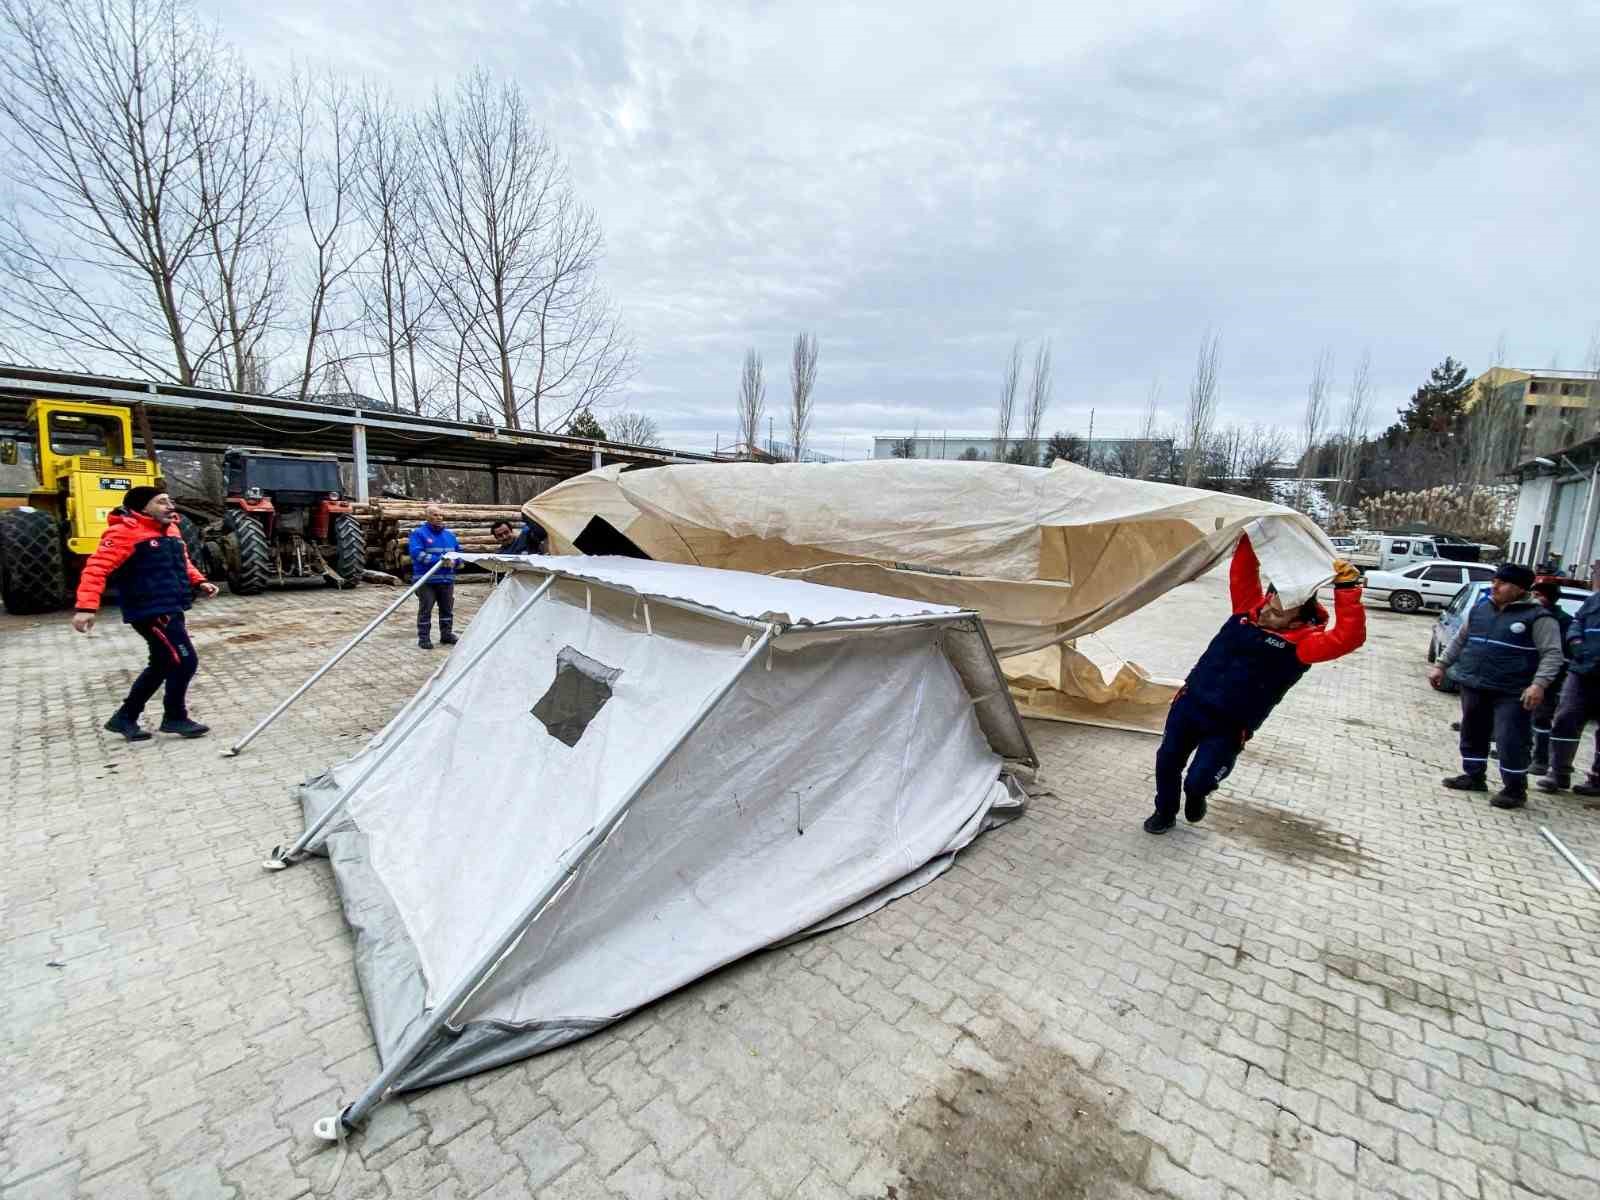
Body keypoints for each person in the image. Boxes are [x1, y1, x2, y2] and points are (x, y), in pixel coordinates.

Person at [1145, 534, 1366, 834]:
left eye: (1276, 613)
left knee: (1198, 778)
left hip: (1229, 726)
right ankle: (1165, 811)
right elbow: (1244, 570)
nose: (1265, 612)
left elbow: (1349, 637)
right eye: (1267, 605)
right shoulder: (1246, 611)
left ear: (1297, 619)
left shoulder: (1304, 646)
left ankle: (1198, 794)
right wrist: (1255, 532)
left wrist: (1347, 589)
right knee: (1167, 762)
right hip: (1190, 705)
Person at [72, 485, 219, 741]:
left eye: (169, 500)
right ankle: (175, 717)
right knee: (185, 661)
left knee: (162, 663)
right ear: (142, 507)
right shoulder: (123, 532)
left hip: (171, 606)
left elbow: (181, 562)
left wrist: (198, 582)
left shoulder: (171, 530)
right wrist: (86, 607)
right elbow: (96, 569)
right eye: (161, 502)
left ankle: (125, 718)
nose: (170, 506)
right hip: (150, 610)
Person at [1429, 563, 1562, 808]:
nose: (1495, 586)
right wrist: (1441, 665)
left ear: (1520, 589)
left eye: (1502, 583)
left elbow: (1552, 654)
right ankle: (1474, 775)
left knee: (1510, 738)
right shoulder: (1481, 609)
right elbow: (1460, 640)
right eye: (1495, 581)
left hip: (1512, 690)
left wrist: (1539, 685)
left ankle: (1514, 789)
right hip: (1474, 683)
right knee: (1472, 731)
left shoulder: (1539, 617)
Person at [1537, 560, 1600, 794]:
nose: (1595, 576)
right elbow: (1576, 623)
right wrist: (1575, 642)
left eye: (1596, 572)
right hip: (1581, 672)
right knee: (1566, 718)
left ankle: (1597, 780)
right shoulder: (1593, 601)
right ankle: (1559, 772)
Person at [1529, 579, 1573, 778]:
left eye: (1538, 595)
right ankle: (1524, 750)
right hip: (1527, 671)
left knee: (1542, 717)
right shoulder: (1530, 614)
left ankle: (1541, 759)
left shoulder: (1563, 620)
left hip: (1550, 677)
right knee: (1525, 714)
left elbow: (1560, 652)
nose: (1534, 598)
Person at [408, 503, 460, 650]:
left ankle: (446, 635)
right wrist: (440, 561)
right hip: (426, 580)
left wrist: (456, 562)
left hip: (446, 580)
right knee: (426, 609)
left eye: (440, 515)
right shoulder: (418, 534)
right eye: (434, 515)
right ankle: (424, 638)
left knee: (447, 609)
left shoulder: (450, 535)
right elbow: (417, 554)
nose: (438, 517)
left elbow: (458, 553)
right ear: (427, 516)